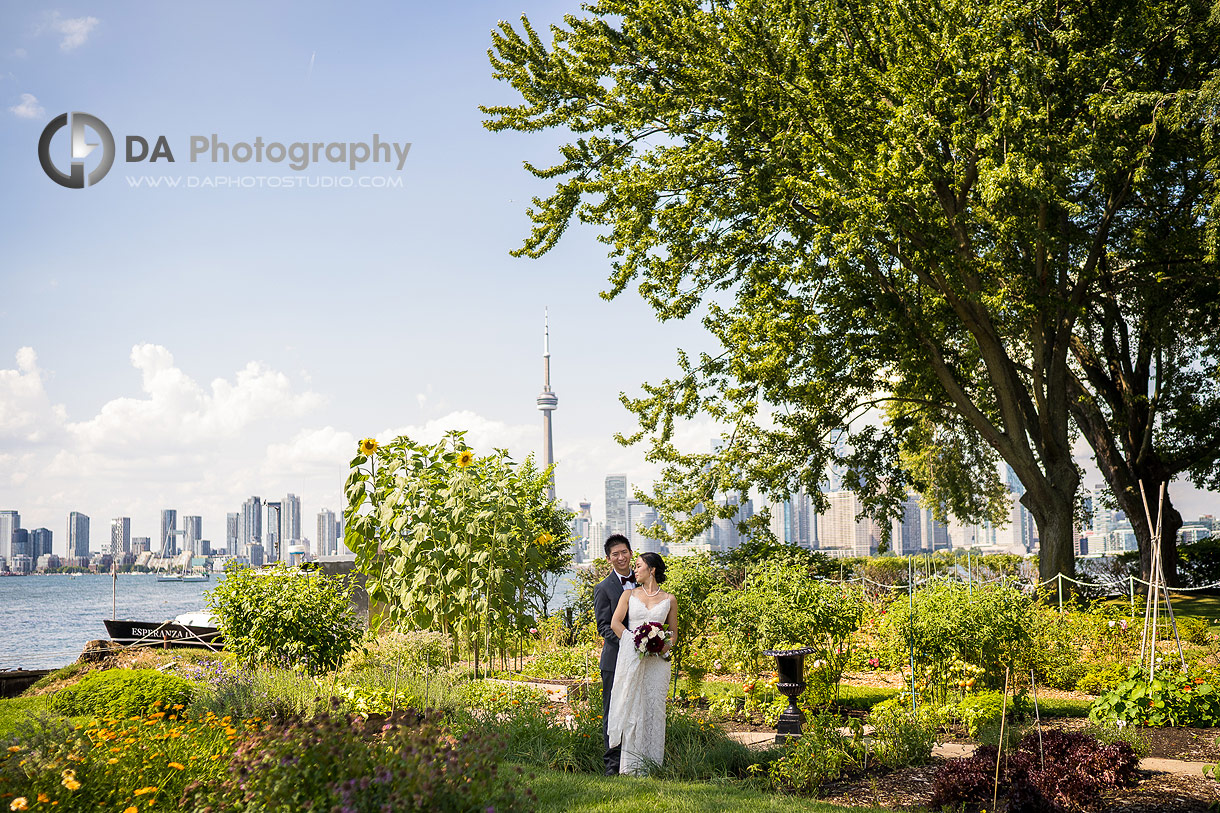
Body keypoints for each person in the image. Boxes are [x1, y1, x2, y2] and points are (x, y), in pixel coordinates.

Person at [606, 551, 677, 776]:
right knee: (634, 709)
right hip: (634, 658)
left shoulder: (669, 599)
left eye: (638, 566)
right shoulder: (628, 595)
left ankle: (653, 765)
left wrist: (664, 644)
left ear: (652, 569)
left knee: (655, 709)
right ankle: (630, 767)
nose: (634, 570)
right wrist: (635, 641)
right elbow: (615, 623)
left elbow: (673, 632)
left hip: (657, 663)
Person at [593, 534, 635, 775]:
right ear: (608, 559)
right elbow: (604, 627)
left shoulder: (643, 583)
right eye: (615, 554)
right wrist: (631, 642)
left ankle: (635, 760)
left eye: (624, 552)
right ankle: (612, 765)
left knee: (635, 708)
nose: (621, 557)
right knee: (612, 710)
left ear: (631, 552)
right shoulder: (603, 588)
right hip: (614, 659)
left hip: (642, 659)